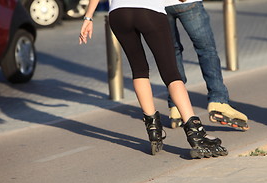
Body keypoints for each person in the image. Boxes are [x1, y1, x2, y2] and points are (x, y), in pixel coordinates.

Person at [78, 0, 227, 159]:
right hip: (149, 11)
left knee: (139, 69)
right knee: (171, 74)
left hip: (118, 13)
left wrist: (88, 18)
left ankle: (154, 130)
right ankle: (196, 134)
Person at [164, 0, 249, 131]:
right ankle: (218, 100)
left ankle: (176, 107)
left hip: (160, 6)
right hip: (188, 3)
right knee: (206, 49)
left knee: (171, 52)